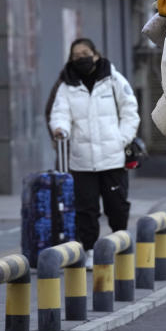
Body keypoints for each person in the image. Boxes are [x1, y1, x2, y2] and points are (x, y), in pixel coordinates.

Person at [49, 38, 140, 269]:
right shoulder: (66, 85)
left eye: (86, 52)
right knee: (86, 210)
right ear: (71, 59)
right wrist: (60, 129)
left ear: (96, 54)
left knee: (116, 206)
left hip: (113, 158)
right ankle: (89, 250)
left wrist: (121, 138)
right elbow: (59, 113)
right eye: (76, 55)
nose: (82, 57)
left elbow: (130, 110)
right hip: (81, 161)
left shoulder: (113, 79)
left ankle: (120, 244)